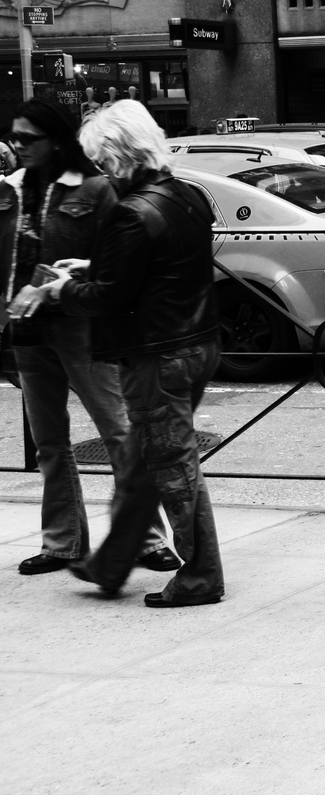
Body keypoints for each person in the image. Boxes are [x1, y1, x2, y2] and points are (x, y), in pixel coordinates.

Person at [40, 101, 225, 608]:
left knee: (172, 468)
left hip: (155, 358)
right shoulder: (187, 194)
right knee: (151, 463)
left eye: (102, 160)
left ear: (119, 155)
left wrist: (60, 291)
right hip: (198, 343)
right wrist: (94, 264)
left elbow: (107, 296)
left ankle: (201, 574)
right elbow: (159, 266)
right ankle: (112, 562)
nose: (100, 170)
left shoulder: (129, 212)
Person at [3, 100, 170, 576]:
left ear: (55, 141)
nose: (18, 146)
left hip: (82, 329)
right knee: (48, 442)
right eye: (14, 138)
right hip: (27, 330)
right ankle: (62, 542)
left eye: (27, 138)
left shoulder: (96, 189)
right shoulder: (11, 190)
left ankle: (146, 539)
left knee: (119, 433)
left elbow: (118, 262)